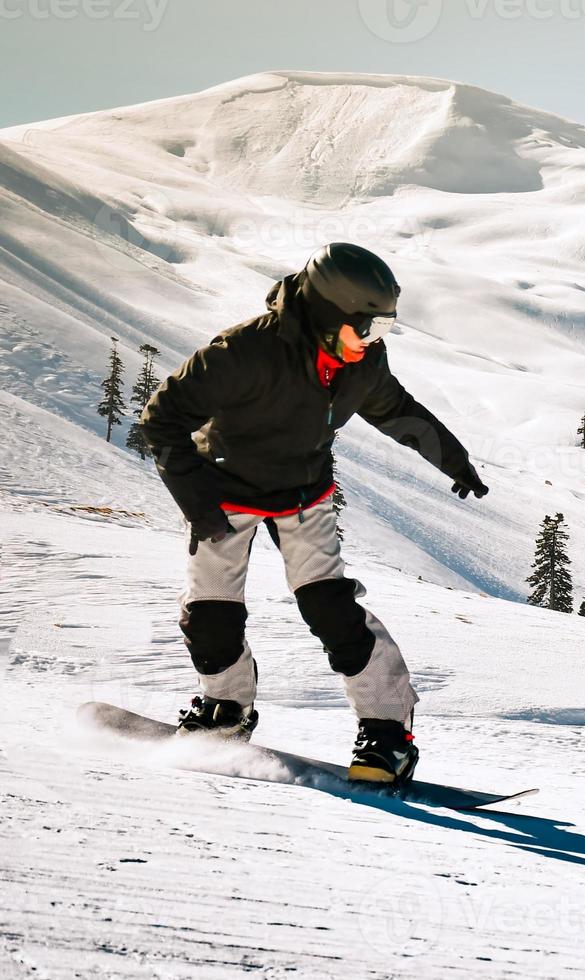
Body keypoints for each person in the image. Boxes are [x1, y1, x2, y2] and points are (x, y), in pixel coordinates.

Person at [141, 243, 487, 784]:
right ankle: (225, 709)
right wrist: (198, 501)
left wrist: (454, 461)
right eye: (366, 329)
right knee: (210, 616)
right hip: (224, 494)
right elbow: (161, 418)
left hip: (303, 495)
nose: (374, 342)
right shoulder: (242, 352)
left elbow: (396, 410)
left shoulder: (361, 361)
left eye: (383, 332)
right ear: (329, 316)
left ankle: (388, 730)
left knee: (330, 609)